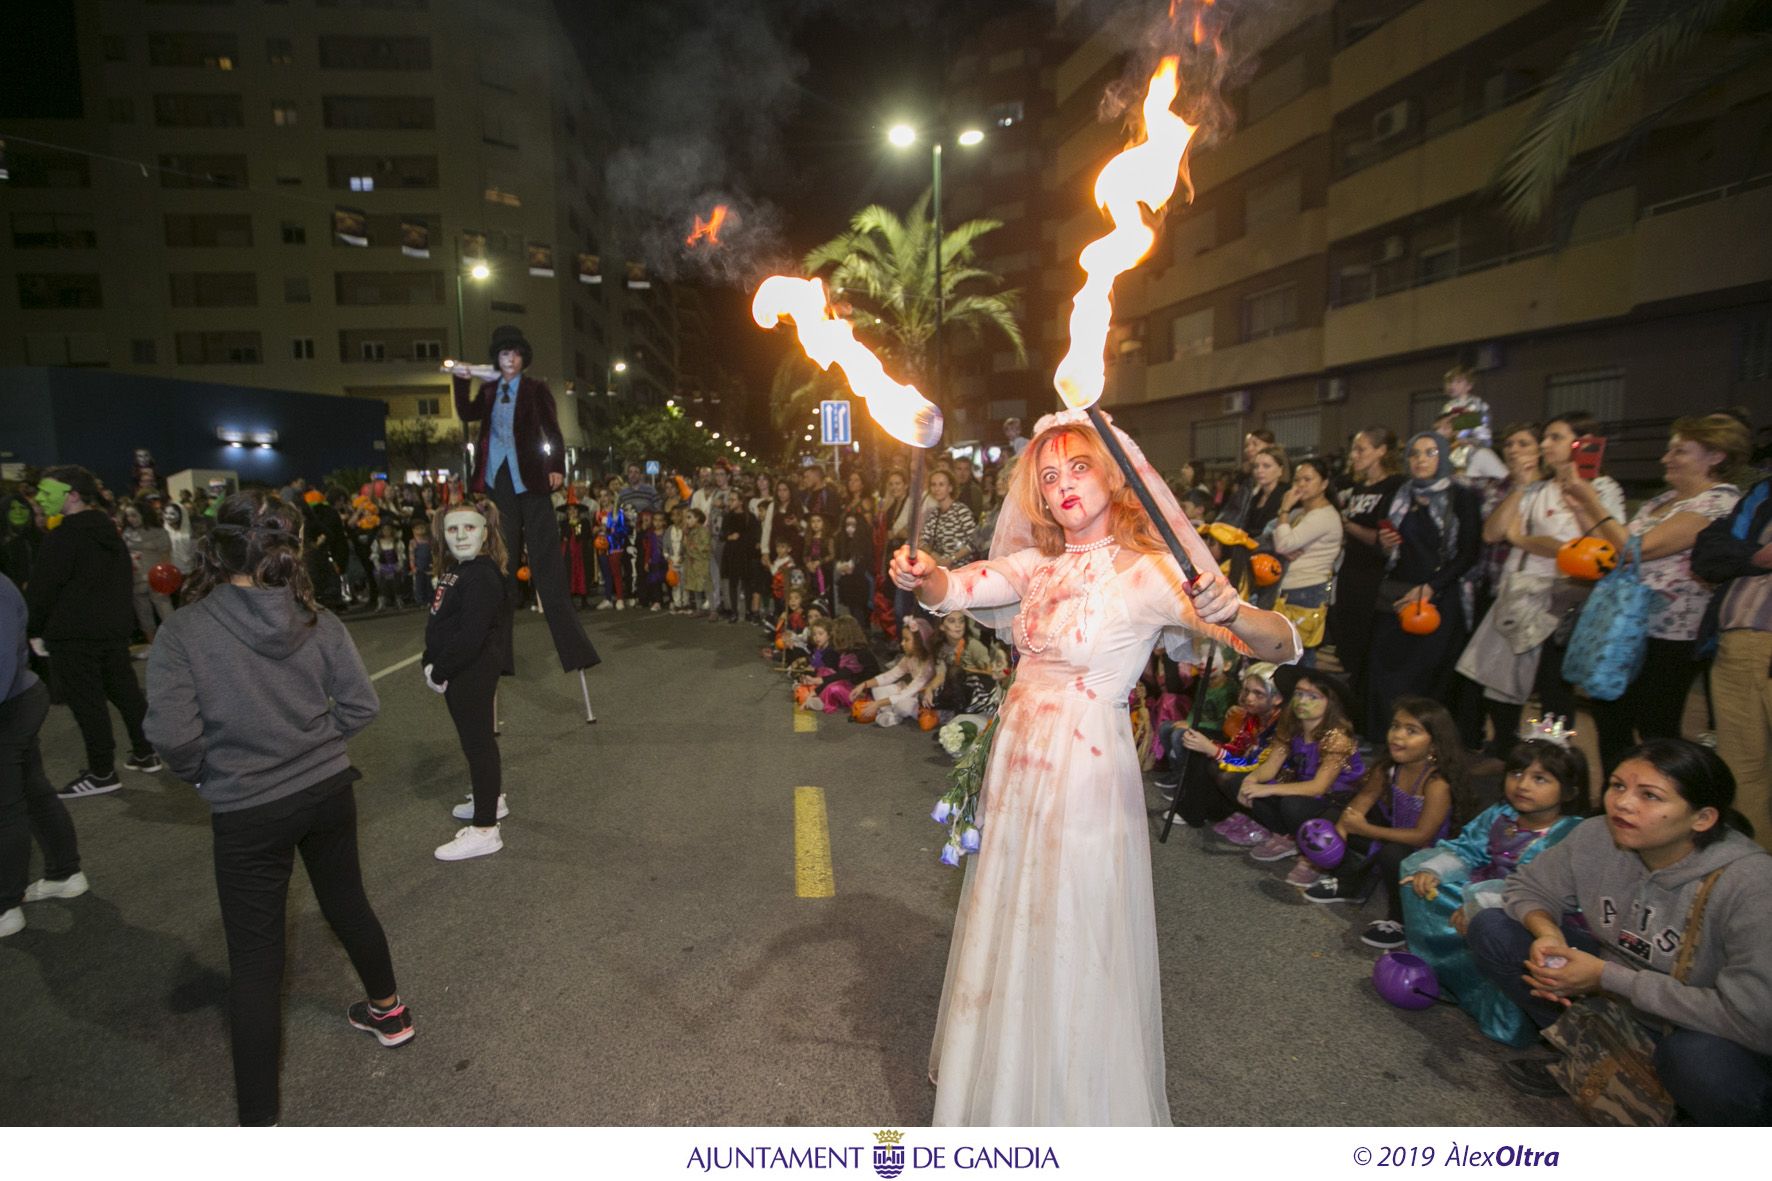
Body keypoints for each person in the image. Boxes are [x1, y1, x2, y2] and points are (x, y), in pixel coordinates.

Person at [892, 407, 1299, 1125]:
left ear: (1113, 474)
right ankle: (1007, 1099)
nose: (1064, 484)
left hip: (1083, 772)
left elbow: (1278, 644)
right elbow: (958, 588)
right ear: (1039, 497)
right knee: (1014, 919)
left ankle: (1070, 1115)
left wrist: (1234, 610)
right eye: (1049, 476)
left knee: (1072, 930)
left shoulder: (1149, 574)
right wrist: (924, 577)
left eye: (1078, 467)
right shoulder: (1036, 564)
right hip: (1019, 762)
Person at [143, 492, 409, 1127]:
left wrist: (209, 774)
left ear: (215, 549)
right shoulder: (315, 617)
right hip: (325, 791)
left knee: (257, 962)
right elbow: (361, 707)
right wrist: (313, 746)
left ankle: (258, 1128)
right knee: (347, 902)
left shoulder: (184, 630)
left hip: (247, 807)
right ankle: (389, 1011)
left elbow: (173, 736)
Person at [1468, 739, 1772, 1125]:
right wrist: (1548, 936)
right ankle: (1588, 1055)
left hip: (1702, 1028)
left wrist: (1606, 977)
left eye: (1650, 796)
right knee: (1495, 929)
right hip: (1616, 999)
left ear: (1702, 818)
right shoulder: (1599, 835)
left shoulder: (1751, 883)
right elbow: (1529, 888)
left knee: (1698, 1063)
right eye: (1617, 786)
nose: (1623, 804)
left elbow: (1754, 1020)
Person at [1565, 414, 1746, 770]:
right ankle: (1614, 798)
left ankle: (1668, 800)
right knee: (1610, 713)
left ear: (1716, 456)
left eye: (1680, 451)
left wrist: (1594, 503)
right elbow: (1613, 548)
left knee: (1655, 724)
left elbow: (1639, 549)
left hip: (1671, 634)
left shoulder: (1717, 503)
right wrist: (1580, 506)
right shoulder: (1662, 501)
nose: (1666, 458)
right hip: (1626, 624)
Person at [1457, 413, 1625, 758]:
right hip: (1517, 594)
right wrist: (1519, 487)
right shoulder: (1537, 488)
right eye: (1544, 438)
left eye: (1555, 438)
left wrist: (1524, 538)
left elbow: (1589, 550)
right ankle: (1506, 751)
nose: (1545, 445)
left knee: (1554, 689)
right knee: (1500, 683)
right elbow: (1494, 533)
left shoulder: (1603, 489)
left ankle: (1554, 755)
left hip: (1562, 598)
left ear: (1582, 443)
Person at [1400, 736, 1585, 1047]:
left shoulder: (1569, 834)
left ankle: (1505, 1013)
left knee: (1492, 924)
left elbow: (1539, 891)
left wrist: (1480, 905)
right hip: (1483, 887)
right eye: (1516, 773)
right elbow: (1468, 849)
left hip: (1531, 911)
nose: (1522, 785)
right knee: (1416, 873)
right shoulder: (1501, 814)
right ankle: (1445, 972)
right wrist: (1434, 871)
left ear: (1570, 790)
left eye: (1539, 779)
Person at [450, 325, 599, 673]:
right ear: (497, 359)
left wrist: (557, 465)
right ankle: (500, 658)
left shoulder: (535, 390)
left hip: (531, 479)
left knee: (547, 565)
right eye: (504, 353)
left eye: (515, 353)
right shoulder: (488, 391)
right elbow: (467, 413)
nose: (510, 358)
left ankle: (574, 651)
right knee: (501, 567)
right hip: (497, 479)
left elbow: (552, 430)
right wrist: (460, 379)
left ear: (522, 359)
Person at [25, 466, 162, 798]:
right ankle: (145, 753)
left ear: (71, 495)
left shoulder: (63, 537)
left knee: (88, 704)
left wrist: (33, 629)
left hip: (72, 634)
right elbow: (121, 582)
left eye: (47, 492)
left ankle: (102, 773)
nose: (39, 499)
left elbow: (43, 590)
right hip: (110, 632)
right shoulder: (108, 532)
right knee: (126, 693)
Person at [1302, 696, 1461, 951]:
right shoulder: (1388, 768)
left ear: (1434, 744)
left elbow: (1422, 836)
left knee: (1393, 854)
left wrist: (1365, 829)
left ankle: (1399, 919)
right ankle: (1349, 882)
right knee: (1333, 817)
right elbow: (1362, 801)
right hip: (1391, 834)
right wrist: (1341, 832)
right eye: (1395, 726)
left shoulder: (1436, 783)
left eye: (1411, 731)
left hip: (1425, 851)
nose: (1398, 736)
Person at [1364, 432, 1482, 734]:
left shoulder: (1462, 496)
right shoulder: (1399, 494)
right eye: (1415, 453)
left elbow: (1469, 552)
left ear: (1443, 457)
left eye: (1430, 453)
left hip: (1439, 596)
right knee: (1382, 669)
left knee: (1426, 675)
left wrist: (1430, 587)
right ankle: (1383, 738)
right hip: (1397, 594)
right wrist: (1386, 545)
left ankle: (1426, 744)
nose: (1421, 460)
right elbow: (1386, 549)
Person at [423, 500, 515, 861]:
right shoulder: (461, 569)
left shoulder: (481, 574)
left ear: (486, 532)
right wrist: (429, 660)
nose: (461, 536)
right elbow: (442, 624)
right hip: (459, 668)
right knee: (474, 742)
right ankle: (490, 800)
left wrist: (440, 669)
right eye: (452, 529)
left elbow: (470, 634)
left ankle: (485, 829)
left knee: (478, 745)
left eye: (470, 528)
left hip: (470, 670)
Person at [1, 572, 86, 940]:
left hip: (12, 704)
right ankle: (64, 872)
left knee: (7, 805)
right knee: (31, 790)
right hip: (16, 699)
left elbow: (2, 665)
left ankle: (5, 905)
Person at [1692, 470, 1772, 851]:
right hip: (1735, 643)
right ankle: (1754, 876)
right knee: (1741, 772)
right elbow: (1707, 553)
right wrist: (1757, 556)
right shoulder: (1761, 494)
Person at [1230, 670, 1365, 877]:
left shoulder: (1337, 737)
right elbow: (1271, 766)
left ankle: (1311, 856)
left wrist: (1266, 789)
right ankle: (1287, 837)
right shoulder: (1292, 727)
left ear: (1330, 703)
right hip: (1302, 789)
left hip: (1335, 799)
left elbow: (1319, 787)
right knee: (1243, 784)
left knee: (1291, 803)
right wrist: (1251, 780)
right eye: (1299, 694)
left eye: (1312, 696)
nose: (1302, 701)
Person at [1331, 428, 1404, 720]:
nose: (1354, 456)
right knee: (1346, 644)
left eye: (1361, 449)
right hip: (1349, 572)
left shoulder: (1396, 487)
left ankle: (1365, 715)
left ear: (1382, 451)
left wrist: (1347, 525)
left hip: (1374, 578)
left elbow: (1384, 537)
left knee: (1365, 649)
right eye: (1353, 449)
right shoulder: (1358, 488)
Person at [1270, 458, 1343, 666]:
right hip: (1293, 588)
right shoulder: (1302, 514)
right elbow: (1275, 537)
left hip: (1307, 590)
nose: (1301, 485)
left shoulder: (1324, 516)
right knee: (1286, 652)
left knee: (1299, 654)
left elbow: (1283, 544)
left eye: (1308, 479)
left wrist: (1283, 510)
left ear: (1324, 484)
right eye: (1297, 479)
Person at [855, 617, 937, 727]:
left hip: (923, 698)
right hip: (911, 692)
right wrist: (864, 684)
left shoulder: (928, 665)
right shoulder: (910, 658)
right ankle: (889, 713)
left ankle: (892, 713)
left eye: (906, 640)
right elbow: (890, 675)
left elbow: (910, 691)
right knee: (877, 688)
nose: (902, 643)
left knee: (903, 706)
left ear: (919, 641)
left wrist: (878, 703)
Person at [122, 501, 174, 650]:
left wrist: (166, 576)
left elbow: (166, 555)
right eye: (128, 516)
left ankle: (176, 643)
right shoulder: (127, 533)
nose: (131, 519)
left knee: (164, 608)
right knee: (143, 612)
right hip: (136, 578)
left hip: (156, 577)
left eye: (134, 515)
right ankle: (152, 645)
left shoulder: (158, 532)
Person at [1242, 445, 1290, 540]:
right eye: (1256, 466)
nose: (1259, 470)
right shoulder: (1255, 498)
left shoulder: (1287, 495)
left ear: (1281, 470)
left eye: (1266, 466)